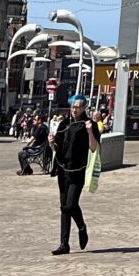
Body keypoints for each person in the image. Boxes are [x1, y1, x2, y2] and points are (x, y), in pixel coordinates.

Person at [48, 98, 102, 256]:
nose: (74, 110)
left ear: (84, 108)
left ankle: (81, 227)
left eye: (78, 107)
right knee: (64, 206)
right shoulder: (65, 124)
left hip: (78, 170)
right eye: (73, 107)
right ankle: (64, 244)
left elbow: (93, 147)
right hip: (63, 170)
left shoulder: (88, 123)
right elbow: (57, 145)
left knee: (71, 204)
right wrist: (51, 142)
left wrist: (90, 131)